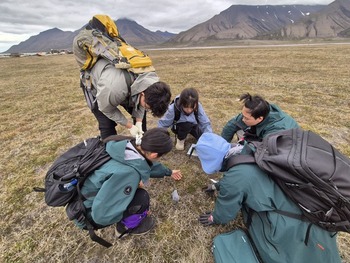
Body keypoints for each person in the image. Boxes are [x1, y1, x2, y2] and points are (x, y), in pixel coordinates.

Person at [195, 133, 341, 263]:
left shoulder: (235, 178)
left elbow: (227, 210)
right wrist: (218, 185)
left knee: (274, 253)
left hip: (287, 224)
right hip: (306, 205)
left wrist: (214, 218)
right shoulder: (250, 149)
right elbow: (243, 178)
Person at [71, 128, 182, 237]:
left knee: (134, 191)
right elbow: (101, 215)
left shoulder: (126, 145)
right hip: (87, 215)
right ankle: (123, 229)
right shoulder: (129, 174)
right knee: (141, 198)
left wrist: (169, 172)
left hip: (82, 196)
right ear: (154, 155)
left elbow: (144, 165)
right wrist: (135, 212)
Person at [87, 58, 172, 140]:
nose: (146, 109)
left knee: (141, 115)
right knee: (107, 124)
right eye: (147, 107)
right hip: (99, 86)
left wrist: (139, 122)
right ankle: (109, 148)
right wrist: (129, 126)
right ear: (142, 93)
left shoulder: (151, 82)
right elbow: (106, 109)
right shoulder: (113, 89)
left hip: (127, 85)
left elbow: (143, 104)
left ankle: (140, 143)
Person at [221, 93, 299, 142]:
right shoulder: (258, 110)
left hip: (285, 147)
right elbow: (231, 125)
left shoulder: (276, 130)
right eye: (243, 115)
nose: (242, 119)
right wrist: (222, 146)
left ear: (260, 118)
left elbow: (265, 151)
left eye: (246, 118)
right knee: (239, 130)